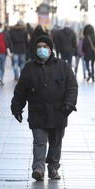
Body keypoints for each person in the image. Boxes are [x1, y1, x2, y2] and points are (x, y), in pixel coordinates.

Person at [11, 35, 78, 181]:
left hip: (59, 112)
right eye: (39, 47)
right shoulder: (29, 68)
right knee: (39, 141)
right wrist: (16, 107)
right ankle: (38, 168)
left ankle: (53, 167)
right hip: (37, 112)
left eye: (45, 47)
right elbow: (21, 90)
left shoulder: (63, 66)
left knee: (55, 143)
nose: (42, 49)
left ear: (50, 49)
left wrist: (69, 104)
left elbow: (72, 87)